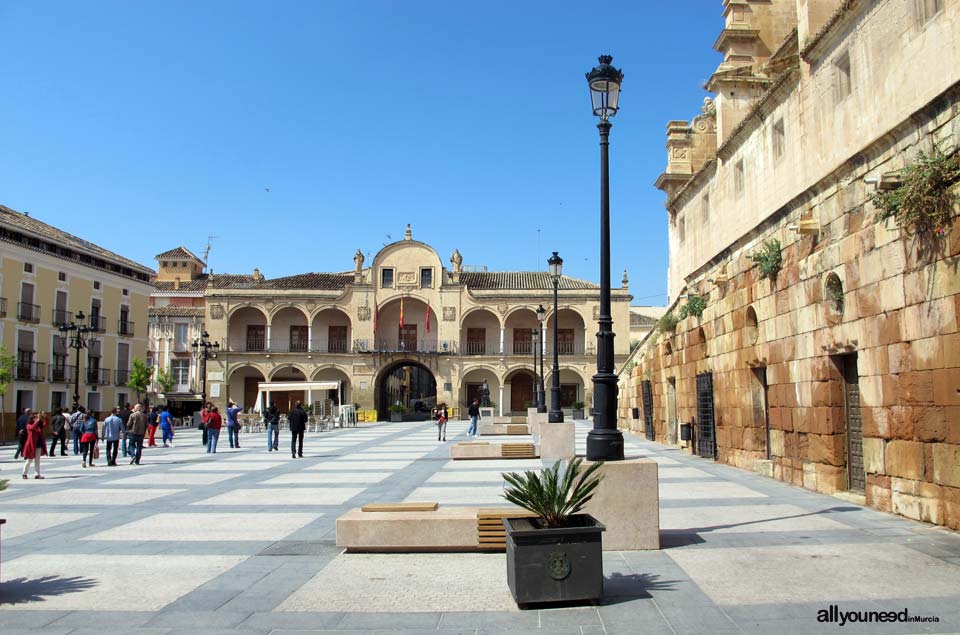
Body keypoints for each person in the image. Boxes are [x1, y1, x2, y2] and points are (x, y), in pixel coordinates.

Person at [21, 413, 47, 479]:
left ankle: (37, 474)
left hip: (38, 445)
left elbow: (45, 424)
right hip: (31, 445)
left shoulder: (38, 426)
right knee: (29, 460)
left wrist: (45, 418)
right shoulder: (28, 425)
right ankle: (24, 473)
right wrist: (37, 421)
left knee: (37, 460)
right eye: (34, 418)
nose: (36, 419)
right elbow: (32, 427)